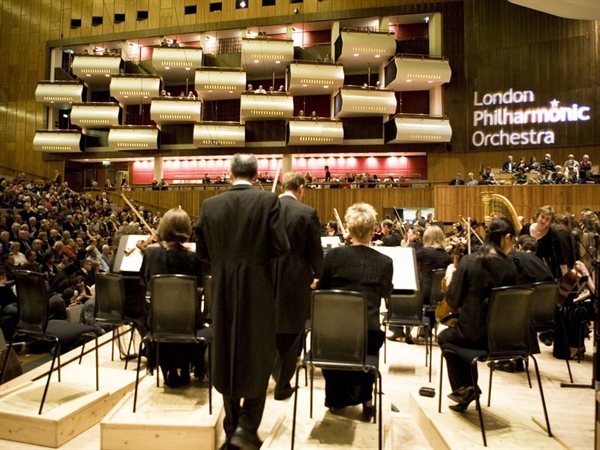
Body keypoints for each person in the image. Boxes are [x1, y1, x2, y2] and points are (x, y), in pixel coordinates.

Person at [194, 154, 289, 450]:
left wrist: (225, 262)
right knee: (258, 353)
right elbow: (280, 247)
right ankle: (246, 427)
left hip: (221, 288)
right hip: (258, 288)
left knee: (226, 352)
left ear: (229, 173)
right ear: (257, 175)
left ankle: (232, 425)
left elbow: (201, 252)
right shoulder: (268, 201)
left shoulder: (210, 205)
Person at [317, 202, 393, 420]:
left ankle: (336, 398)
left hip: (334, 336)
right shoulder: (385, 262)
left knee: (336, 345)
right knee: (367, 347)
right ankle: (366, 397)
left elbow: (323, 291)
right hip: (368, 335)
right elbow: (386, 293)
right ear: (372, 231)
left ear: (348, 231)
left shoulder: (333, 257)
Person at [438, 218, 518, 412]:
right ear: (506, 238)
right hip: (505, 338)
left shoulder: (470, 261)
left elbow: (454, 301)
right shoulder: (511, 266)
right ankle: (468, 387)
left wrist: (450, 281)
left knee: (445, 338)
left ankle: (465, 387)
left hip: (475, 335)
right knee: (460, 338)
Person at [271, 172, 324, 401]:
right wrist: (320, 276)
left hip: (267, 276)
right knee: (293, 331)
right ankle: (282, 384)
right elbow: (315, 251)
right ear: (301, 188)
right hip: (295, 277)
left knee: (269, 326)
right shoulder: (307, 213)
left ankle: (273, 372)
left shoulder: (267, 209)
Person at [139, 208, 203, 388]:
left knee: (162, 315)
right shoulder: (193, 257)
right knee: (195, 318)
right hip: (187, 323)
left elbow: (143, 280)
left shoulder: (151, 254)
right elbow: (199, 288)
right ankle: (185, 367)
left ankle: (167, 369)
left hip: (158, 322)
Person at [520, 206, 567, 280]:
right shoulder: (526, 228)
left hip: (542, 272)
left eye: (547, 219)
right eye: (542, 217)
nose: (544, 221)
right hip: (524, 269)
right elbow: (518, 247)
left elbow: (561, 259)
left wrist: (565, 279)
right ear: (537, 216)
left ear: (550, 221)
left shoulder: (552, 235)